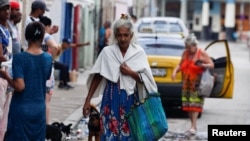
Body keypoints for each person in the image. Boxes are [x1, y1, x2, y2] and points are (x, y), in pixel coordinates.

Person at [82, 14, 157, 141]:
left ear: (131, 35)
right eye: (119, 35)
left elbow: (145, 80)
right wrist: (87, 100)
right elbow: (98, 76)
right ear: (115, 35)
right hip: (110, 101)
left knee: (130, 135)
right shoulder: (107, 52)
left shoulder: (138, 52)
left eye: (126, 35)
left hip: (131, 102)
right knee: (108, 134)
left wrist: (130, 72)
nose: (122, 39)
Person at [1, 21, 53, 141]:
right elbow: (45, 78)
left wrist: (6, 75)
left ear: (26, 37)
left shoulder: (19, 58)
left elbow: (20, 86)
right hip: (39, 109)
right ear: (42, 37)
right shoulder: (48, 59)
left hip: (21, 110)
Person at [171, 33, 214, 135]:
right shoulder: (185, 53)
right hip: (186, 85)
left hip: (197, 85)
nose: (188, 49)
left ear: (195, 45)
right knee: (188, 107)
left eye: (189, 47)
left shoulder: (201, 53)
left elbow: (211, 64)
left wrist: (203, 65)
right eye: (186, 47)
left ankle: (193, 126)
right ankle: (192, 126)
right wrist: (174, 72)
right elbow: (180, 65)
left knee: (195, 106)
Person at [39, 15, 59, 124]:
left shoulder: (35, 35)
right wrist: (52, 59)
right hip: (47, 70)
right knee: (47, 100)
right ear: (46, 26)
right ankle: (46, 126)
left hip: (37, 70)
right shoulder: (46, 36)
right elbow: (55, 47)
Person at [0, 1, 11, 140]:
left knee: (4, 117)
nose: (7, 11)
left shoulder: (5, 28)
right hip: (2, 75)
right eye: (3, 9)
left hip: (7, 75)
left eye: (8, 8)